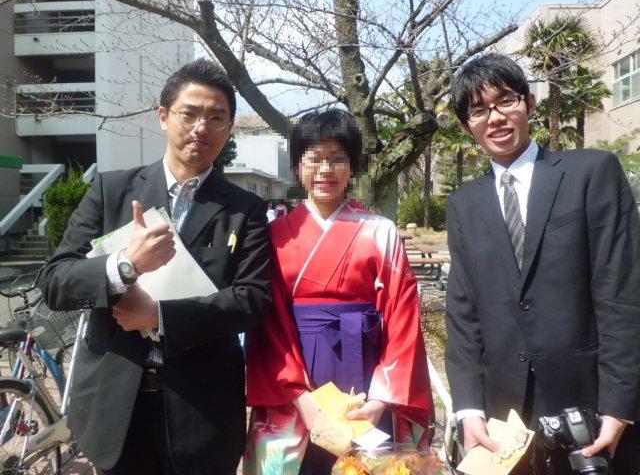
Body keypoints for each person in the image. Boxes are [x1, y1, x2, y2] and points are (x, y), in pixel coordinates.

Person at [39, 59, 273, 475]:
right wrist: (124, 265)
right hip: (115, 409)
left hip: (202, 412)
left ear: (229, 128)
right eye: (189, 114)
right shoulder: (111, 190)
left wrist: (159, 316)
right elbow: (55, 282)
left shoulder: (246, 210)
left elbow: (252, 299)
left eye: (216, 118)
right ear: (163, 116)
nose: (201, 128)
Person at [445, 53, 640, 474]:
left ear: (529, 103)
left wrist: (620, 405)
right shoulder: (463, 205)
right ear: (466, 126)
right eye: (479, 110)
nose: (495, 117)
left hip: (590, 403)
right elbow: (463, 312)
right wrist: (468, 407)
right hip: (505, 416)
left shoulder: (591, 173)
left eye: (505, 100)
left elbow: (622, 295)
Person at [243, 109, 434, 474]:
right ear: (297, 167)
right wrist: (302, 399)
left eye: (337, 159)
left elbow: (403, 316)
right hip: (295, 384)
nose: (325, 170)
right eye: (314, 159)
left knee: (370, 464)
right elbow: (269, 323)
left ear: (353, 167)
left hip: (369, 379)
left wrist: (381, 400)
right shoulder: (275, 236)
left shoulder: (380, 231)